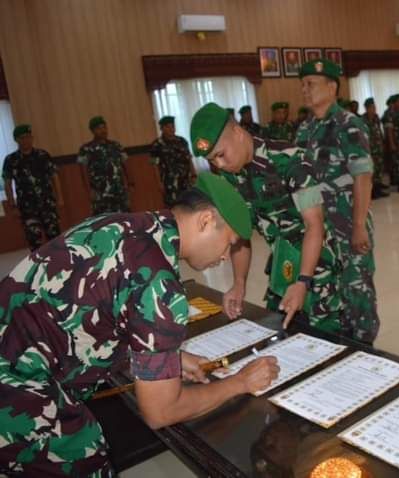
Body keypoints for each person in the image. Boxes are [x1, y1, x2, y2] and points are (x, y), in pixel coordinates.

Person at [0, 172, 280, 476]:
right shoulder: (159, 285)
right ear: (206, 221)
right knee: (84, 454)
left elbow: (102, 309)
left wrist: (171, 357)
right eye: (229, 243)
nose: (226, 257)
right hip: (18, 388)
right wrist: (240, 382)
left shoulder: (123, 224)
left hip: (14, 347)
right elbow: (161, 412)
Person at [190, 102, 344, 334]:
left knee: (326, 343)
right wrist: (239, 283)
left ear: (238, 132)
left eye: (221, 155)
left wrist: (303, 282)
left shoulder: (294, 160)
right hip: (283, 269)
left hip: (319, 271)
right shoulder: (232, 179)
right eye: (212, 160)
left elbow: (315, 225)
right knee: (279, 335)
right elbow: (241, 236)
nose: (219, 165)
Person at [295, 59, 379, 344]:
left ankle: (367, 348)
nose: (305, 90)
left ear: (332, 88)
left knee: (357, 291)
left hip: (346, 224)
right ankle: (342, 348)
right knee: (329, 293)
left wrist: (358, 225)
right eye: (302, 85)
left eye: (311, 84)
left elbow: (363, 177)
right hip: (319, 231)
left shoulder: (349, 125)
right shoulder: (304, 130)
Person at [2, 124, 61, 250]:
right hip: (27, 208)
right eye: (22, 138)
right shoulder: (11, 160)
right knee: (35, 243)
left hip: (47, 204)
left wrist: (59, 197)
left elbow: (54, 177)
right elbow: (7, 184)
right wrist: (13, 206)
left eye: (28, 137)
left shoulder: (43, 155)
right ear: (16, 140)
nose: (26, 140)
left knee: (56, 240)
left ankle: (59, 266)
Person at [77, 116, 131, 214]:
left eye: (104, 127)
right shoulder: (86, 149)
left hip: (118, 191)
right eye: (99, 128)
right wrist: (89, 190)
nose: (103, 131)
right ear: (92, 131)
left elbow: (125, 165)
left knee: (124, 219)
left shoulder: (116, 145)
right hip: (100, 193)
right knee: (103, 221)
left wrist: (130, 183)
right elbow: (83, 171)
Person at [149, 115, 197, 207]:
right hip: (169, 182)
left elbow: (189, 159)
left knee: (189, 204)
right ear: (162, 128)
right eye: (168, 127)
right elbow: (154, 165)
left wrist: (193, 174)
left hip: (186, 179)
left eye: (173, 126)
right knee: (173, 206)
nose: (172, 129)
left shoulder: (182, 141)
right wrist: (159, 183)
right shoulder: (157, 145)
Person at [361, 97, 388, 199]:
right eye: (372, 107)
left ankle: (378, 189)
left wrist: (382, 141)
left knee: (379, 169)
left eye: (374, 107)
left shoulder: (376, 118)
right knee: (371, 171)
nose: (374, 109)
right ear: (367, 108)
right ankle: (372, 192)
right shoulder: (362, 120)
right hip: (369, 150)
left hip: (378, 147)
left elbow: (379, 130)